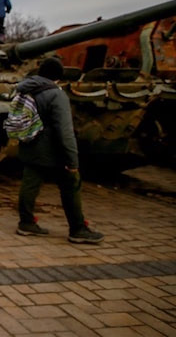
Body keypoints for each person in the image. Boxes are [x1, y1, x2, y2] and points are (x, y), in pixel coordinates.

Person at [15, 57, 104, 244]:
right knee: (71, 184)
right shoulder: (56, 94)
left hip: (29, 142)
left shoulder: (24, 89)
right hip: (52, 149)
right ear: (59, 75)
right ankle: (78, 228)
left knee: (30, 183)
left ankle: (26, 222)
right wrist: (72, 161)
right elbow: (65, 131)